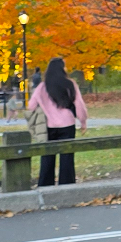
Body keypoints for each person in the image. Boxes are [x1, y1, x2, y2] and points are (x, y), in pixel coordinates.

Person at [29, 57, 88, 186]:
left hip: (48, 125)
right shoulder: (70, 84)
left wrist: (43, 108)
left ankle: (45, 184)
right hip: (67, 124)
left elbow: (31, 105)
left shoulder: (42, 86)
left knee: (47, 156)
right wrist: (83, 122)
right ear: (61, 69)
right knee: (67, 157)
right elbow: (79, 105)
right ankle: (66, 184)